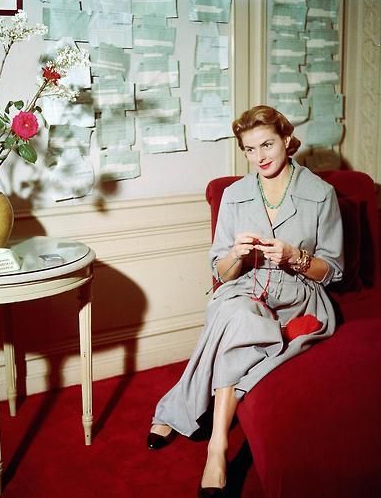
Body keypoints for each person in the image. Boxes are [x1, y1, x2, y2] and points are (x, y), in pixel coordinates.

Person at [146, 105, 344, 497]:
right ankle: (218, 447)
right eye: (250, 149)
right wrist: (235, 254)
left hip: (299, 297)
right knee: (234, 311)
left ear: (287, 140)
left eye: (267, 144)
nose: (260, 157)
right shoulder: (234, 195)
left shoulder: (321, 194)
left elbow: (334, 271)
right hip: (247, 288)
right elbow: (222, 273)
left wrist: (295, 257)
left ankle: (180, 409)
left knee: (231, 319)